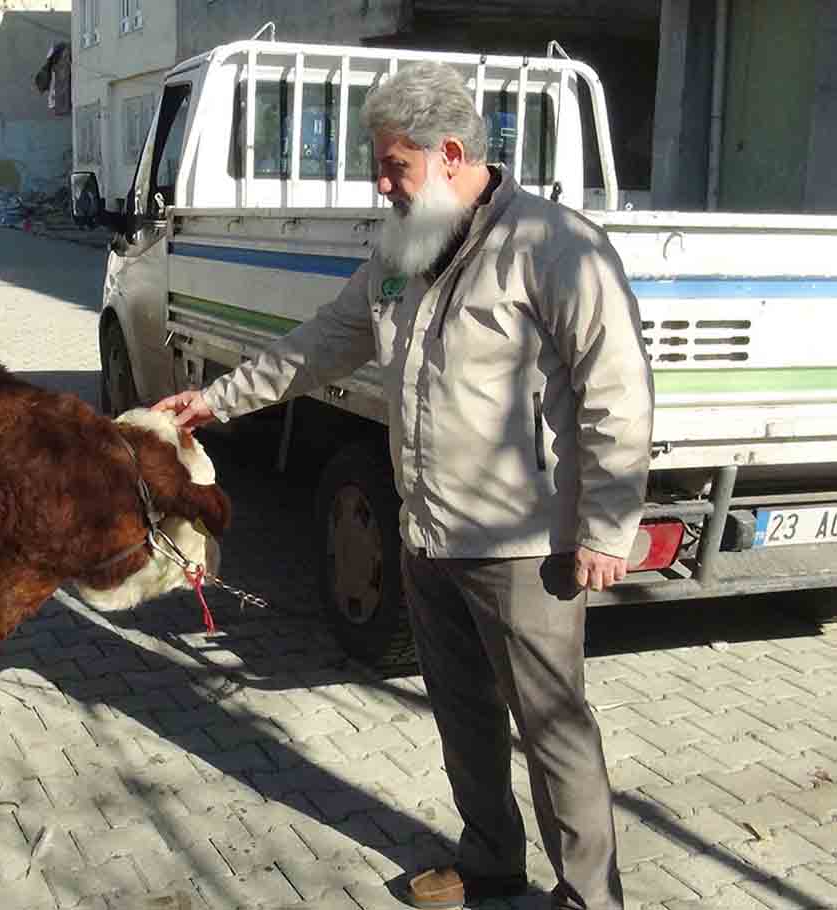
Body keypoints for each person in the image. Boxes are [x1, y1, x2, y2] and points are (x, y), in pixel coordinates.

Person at [155, 61, 653, 910]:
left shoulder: (553, 247)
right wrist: (215, 398)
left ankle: (590, 897)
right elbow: (325, 341)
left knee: (553, 729)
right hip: (426, 534)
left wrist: (607, 527)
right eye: (379, 166)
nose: (379, 184)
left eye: (393, 166)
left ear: (450, 153)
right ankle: (493, 860)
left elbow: (618, 391)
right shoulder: (402, 248)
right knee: (463, 715)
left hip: (525, 547)